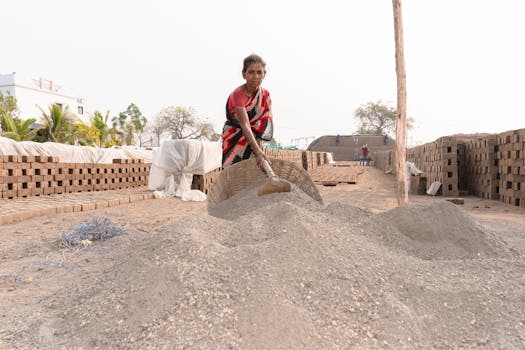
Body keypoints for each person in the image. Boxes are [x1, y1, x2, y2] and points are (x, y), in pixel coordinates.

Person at [221, 54, 273, 168]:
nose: (256, 76)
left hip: (254, 140)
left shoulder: (265, 95)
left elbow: (261, 126)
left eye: (259, 72)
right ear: (244, 74)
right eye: (251, 72)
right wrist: (258, 152)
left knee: (254, 175)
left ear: (264, 75)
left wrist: (258, 150)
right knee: (233, 173)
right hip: (234, 138)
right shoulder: (238, 94)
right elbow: (245, 125)